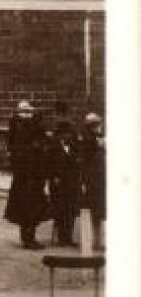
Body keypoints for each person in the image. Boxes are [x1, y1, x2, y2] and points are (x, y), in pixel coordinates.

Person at [3, 100, 48, 249]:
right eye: (25, 112)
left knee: (30, 207)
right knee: (28, 207)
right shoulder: (22, 127)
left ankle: (28, 237)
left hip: (31, 174)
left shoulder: (23, 127)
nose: (27, 115)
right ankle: (28, 238)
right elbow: (17, 150)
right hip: (27, 175)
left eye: (28, 112)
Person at [45, 103, 81, 247]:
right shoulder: (53, 147)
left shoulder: (73, 147)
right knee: (60, 209)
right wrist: (53, 178)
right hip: (58, 183)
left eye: (70, 135)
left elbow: (77, 163)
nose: (68, 137)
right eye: (66, 134)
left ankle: (69, 237)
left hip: (71, 182)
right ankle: (61, 237)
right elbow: (50, 164)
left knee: (71, 210)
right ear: (60, 135)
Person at [79, 113, 106, 250]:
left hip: (98, 178)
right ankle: (95, 240)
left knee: (98, 210)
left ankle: (97, 239)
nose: (99, 127)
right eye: (97, 124)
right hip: (94, 179)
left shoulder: (95, 139)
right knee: (96, 210)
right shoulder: (90, 140)